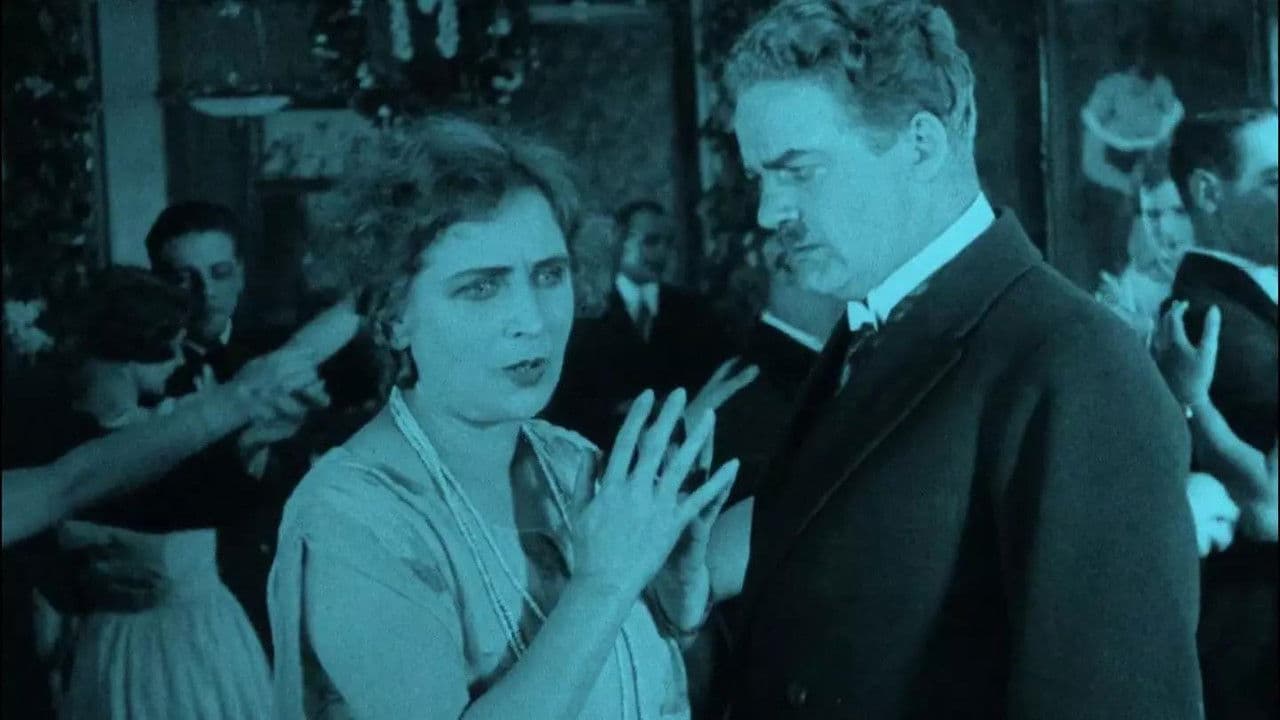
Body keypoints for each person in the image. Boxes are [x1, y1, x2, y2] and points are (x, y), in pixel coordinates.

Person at [718, 2, 1201, 717]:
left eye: (798, 171)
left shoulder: (1075, 363)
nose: (768, 212)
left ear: (921, 145)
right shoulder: (864, 335)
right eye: (761, 178)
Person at [268, 116, 741, 720]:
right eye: (481, 288)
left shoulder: (572, 464)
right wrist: (605, 585)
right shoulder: (350, 520)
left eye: (549, 275)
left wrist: (677, 604)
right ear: (394, 317)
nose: (533, 319)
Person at [1165, 106, 1278, 720]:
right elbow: (1272, 507)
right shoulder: (1213, 322)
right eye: (1275, 180)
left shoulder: (1250, 304)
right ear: (1209, 193)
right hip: (1255, 657)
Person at [546, 199, 754, 451]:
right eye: (651, 241)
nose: (662, 254)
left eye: (669, 243)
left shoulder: (695, 311)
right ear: (619, 241)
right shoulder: (585, 313)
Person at [1095, 155, 1196, 343]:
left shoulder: (1225, 273)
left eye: (1179, 212)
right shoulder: (1134, 286)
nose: (1166, 228)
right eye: (1153, 215)